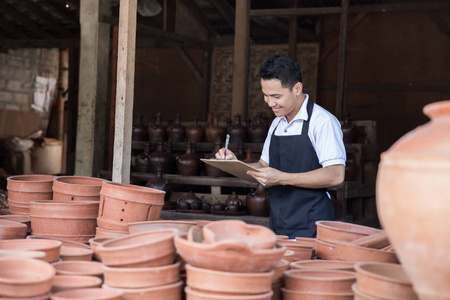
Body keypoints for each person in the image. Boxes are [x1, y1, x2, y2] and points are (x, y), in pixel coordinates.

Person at [215, 54, 346, 238]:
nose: (270, 103)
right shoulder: (277, 123)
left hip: (312, 223)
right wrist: (234, 163)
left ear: (297, 88)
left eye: (276, 96)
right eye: (265, 96)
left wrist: (282, 178)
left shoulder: (322, 121)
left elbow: (336, 175)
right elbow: (263, 167)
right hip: (279, 221)